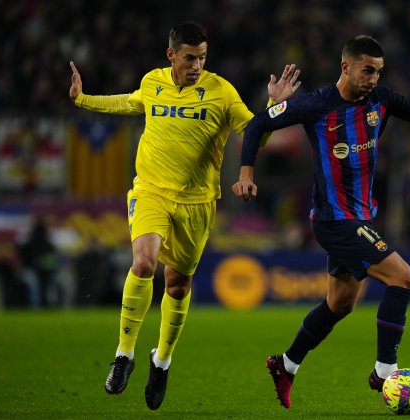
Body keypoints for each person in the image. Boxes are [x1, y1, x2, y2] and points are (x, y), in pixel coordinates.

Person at [69, 21, 301, 410]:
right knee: (143, 263)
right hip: (150, 192)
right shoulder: (152, 82)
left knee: (177, 285)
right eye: (190, 57)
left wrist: (274, 107)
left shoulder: (221, 91)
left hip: (197, 204)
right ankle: (124, 355)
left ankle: (161, 361)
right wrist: (82, 99)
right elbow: (127, 102)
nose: (196, 65)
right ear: (172, 54)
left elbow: (256, 134)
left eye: (202, 58)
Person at [232, 35, 410, 409]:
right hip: (333, 219)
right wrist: (246, 173)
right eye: (368, 70)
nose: (374, 78)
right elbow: (259, 123)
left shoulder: (381, 100)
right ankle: (385, 371)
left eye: (379, 71)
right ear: (346, 66)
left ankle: (286, 364)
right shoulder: (315, 105)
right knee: (403, 277)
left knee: (340, 304)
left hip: (361, 217)